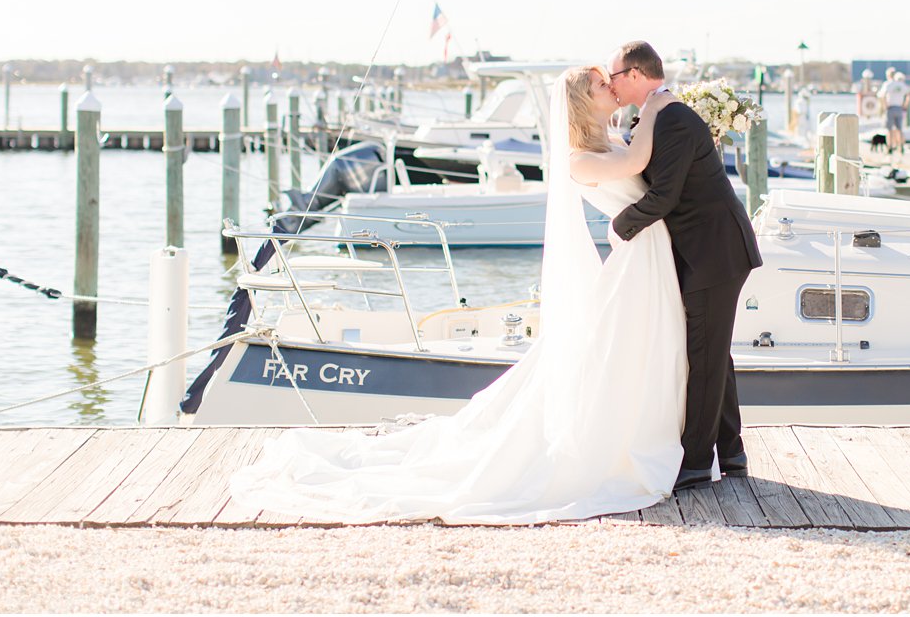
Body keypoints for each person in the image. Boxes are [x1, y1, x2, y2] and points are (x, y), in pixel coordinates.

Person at [227, 65, 687, 524]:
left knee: (641, 349)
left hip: (646, 254)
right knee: (631, 350)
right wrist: (658, 104)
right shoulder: (579, 158)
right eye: (598, 84)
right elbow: (635, 166)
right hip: (635, 259)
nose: (609, 85)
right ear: (582, 102)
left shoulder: (607, 140)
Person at [607, 41, 764, 493]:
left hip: (715, 251)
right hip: (707, 250)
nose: (613, 84)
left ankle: (695, 461)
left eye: (615, 76)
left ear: (635, 74)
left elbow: (664, 197)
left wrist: (619, 228)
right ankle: (731, 451)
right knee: (714, 353)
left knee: (704, 357)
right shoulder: (660, 114)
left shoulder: (673, 118)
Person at [879, 69, 910, 156]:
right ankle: (900, 147)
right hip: (899, 108)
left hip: (890, 108)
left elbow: (882, 96)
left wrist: (885, 106)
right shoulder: (901, 84)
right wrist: (905, 105)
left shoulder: (888, 84)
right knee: (899, 129)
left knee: (889, 130)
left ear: (888, 75)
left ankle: (889, 147)